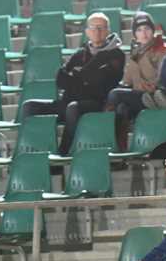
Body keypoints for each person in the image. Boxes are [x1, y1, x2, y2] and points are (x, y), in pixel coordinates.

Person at [19, 12, 125, 155]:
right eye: (93, 27)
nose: (97, 31)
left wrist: (78, 76)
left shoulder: (116, 55)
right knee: (30, 106)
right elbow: (60, 79)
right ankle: (35, 152)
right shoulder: (80, 54)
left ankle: (64, 153)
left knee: (73, 108)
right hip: (69, 101)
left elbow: (103, 85)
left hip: (96, 103)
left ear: (108, 31)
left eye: (101, 27)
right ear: (87, 31)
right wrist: (84, 78)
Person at [106, 11, 166, 149]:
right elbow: (127, 81)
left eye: (147, 28)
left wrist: (144, 55)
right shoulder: (135, 53)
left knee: (114, 94)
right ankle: (120, 151)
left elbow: (162, 79)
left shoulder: (162, 49)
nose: (144, 33)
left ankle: (104, 133)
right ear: (135, 34)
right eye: (139, 30)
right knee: (122, 108)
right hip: (138, 98)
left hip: (154, 97)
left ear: (153, 30)